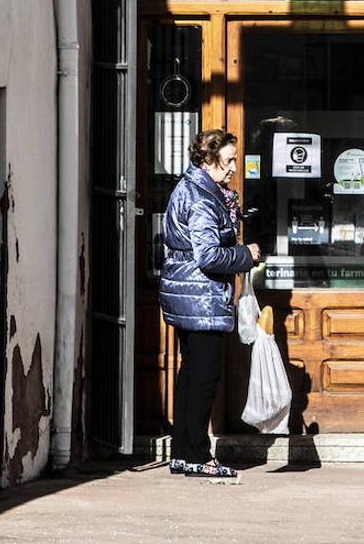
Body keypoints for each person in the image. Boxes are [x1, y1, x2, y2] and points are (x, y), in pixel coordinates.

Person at [159, 128, 261, 478]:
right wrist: (245, 254)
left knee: (190, 376)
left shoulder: (192, 188)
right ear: (208, 158)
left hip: (188, 296)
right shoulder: (202, 197)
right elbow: (208, 256)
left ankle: (183, 453)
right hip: (201, 300)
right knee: (203, 378)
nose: (235, 167)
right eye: (230, 159)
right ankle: (199, 456)